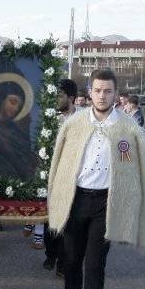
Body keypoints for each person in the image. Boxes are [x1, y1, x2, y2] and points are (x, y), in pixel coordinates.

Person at [47, 69, 145, 289]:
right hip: (76, 200)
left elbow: (142, 169)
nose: (102, 95)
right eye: (97, 90)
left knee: (95, 266)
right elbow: (58, 163)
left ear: (116, 94)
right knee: (71, 261)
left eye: (108, 91)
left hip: (105, 205)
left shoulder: (129, 128)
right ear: (90, 92)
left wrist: (140, 204)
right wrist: (55, 197)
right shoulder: (74, 124)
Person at [43, 79, 79, 274]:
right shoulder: (50, 118)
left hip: (73, 177)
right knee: (52, 220)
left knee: (70, 222)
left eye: (60, 96)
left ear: (71, 98)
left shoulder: (82, 119)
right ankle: (51, 254)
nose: (56, 99)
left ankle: (64, 263)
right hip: (53, 176)